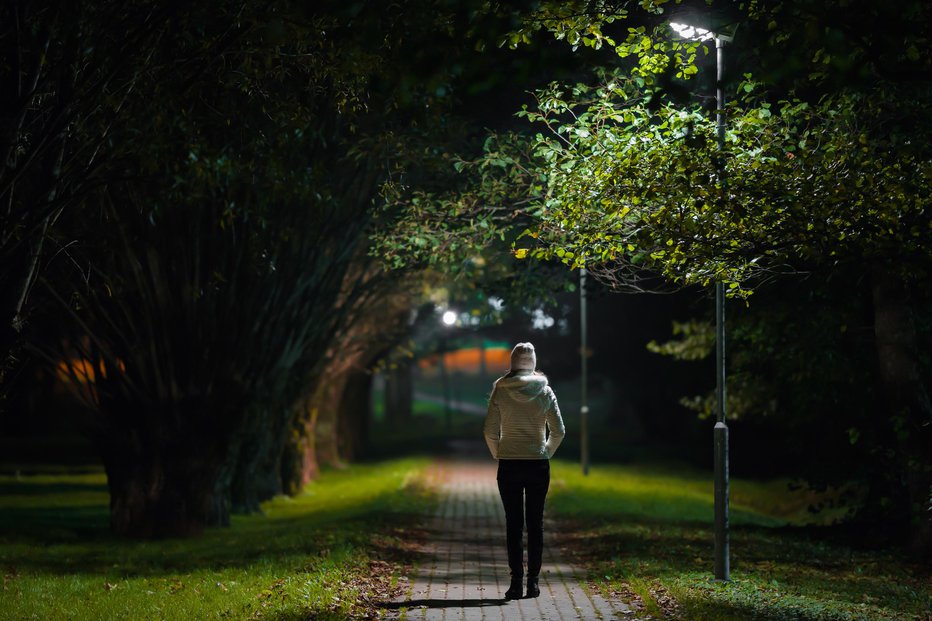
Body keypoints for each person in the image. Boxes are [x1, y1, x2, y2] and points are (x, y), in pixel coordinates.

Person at [483, 342, 566, 600]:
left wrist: (499, 452)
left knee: (513, 524)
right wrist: (544, 452)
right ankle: (533, 583)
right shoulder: (545, 391)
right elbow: (559, 431)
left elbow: (489, 430)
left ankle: (515, 582)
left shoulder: (501, 389)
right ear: (533, 362)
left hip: (509, 463)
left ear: (512, 362)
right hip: (537, 464)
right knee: (535, 523)